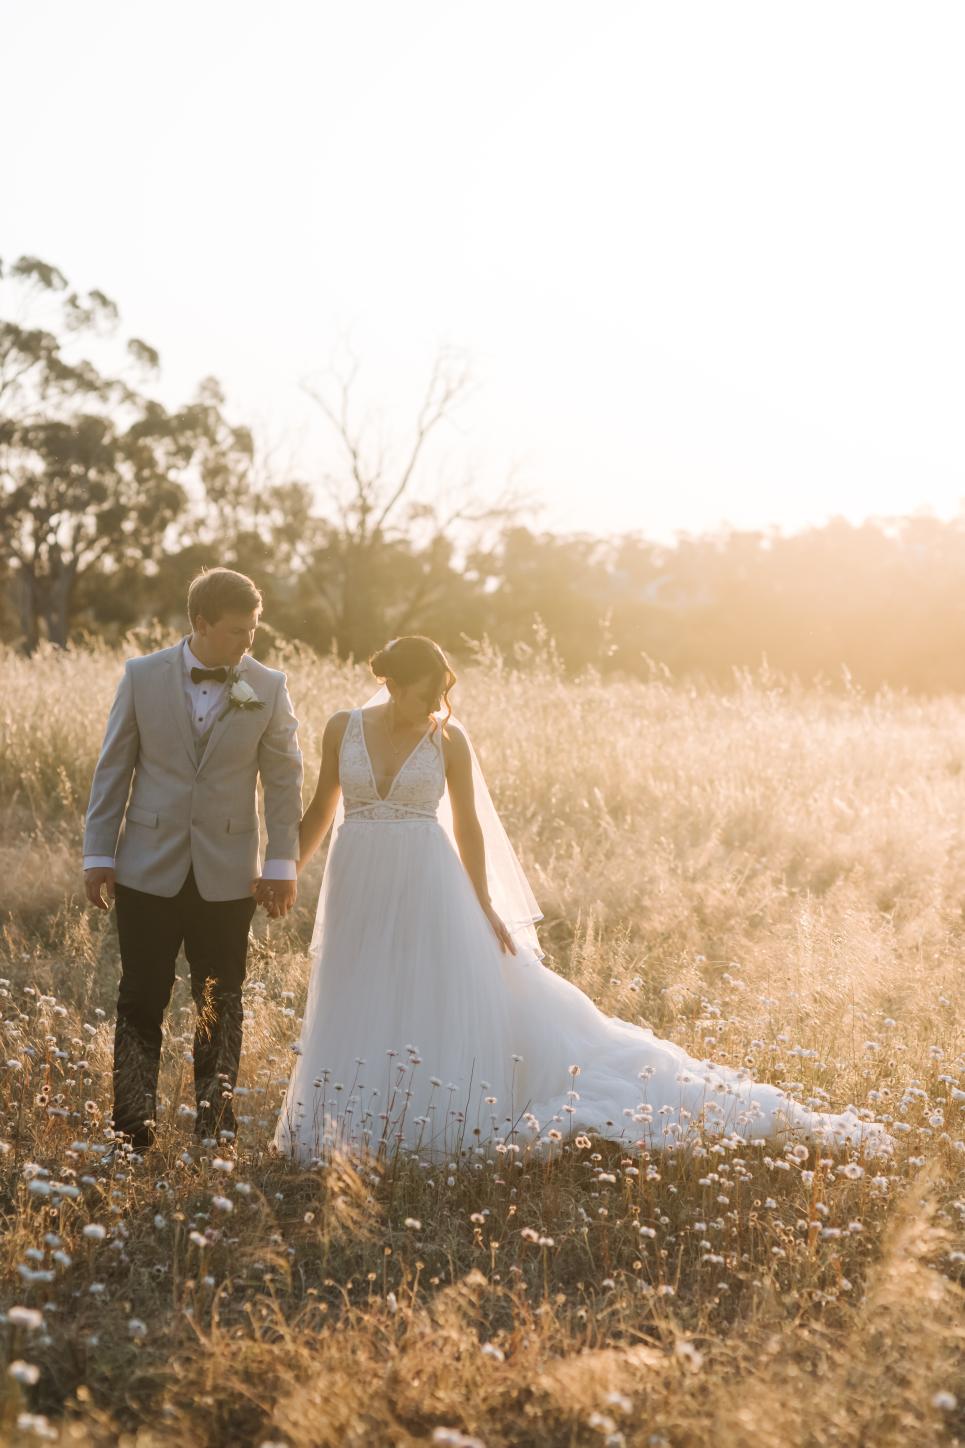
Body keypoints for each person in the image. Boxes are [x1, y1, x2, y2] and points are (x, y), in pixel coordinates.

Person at [274, 635, 890, 1164]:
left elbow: (469, 827)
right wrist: (281, 872)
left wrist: (483, 904)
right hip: (358, 883)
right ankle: (347, 1123)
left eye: (442, 695)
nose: (434, 707)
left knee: (431, 992)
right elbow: (321, 810)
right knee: (361, 989)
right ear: (389, 683)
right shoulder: (341, 728)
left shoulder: (448, 740)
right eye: (422, 695)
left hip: (430, 883)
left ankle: (429, 1121)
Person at [84, 567, 303, 1156]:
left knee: (219, 1000)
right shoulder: (140, 676)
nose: (248, 643)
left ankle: (214, 1127)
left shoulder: (269, 685)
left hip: (230, 874)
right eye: (237, 631)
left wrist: (284, 861)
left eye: (254, 630)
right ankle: (131, 1130)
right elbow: (114, 768)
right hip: (145, 869)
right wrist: (98, 853)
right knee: (140, 997)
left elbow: (284, 779)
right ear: (200, 624)